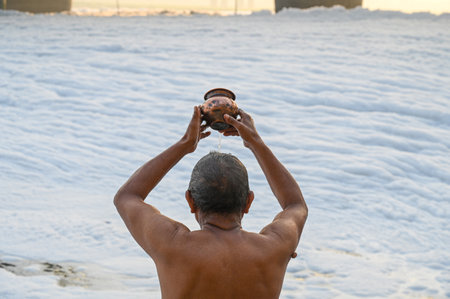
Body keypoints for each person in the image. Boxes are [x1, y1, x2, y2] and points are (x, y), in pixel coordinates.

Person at [114, 106, 308, 299]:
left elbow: (127, 196)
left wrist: (185, 144)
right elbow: (295, 205)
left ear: (191, 201)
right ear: (248, 202)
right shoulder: (275, 246)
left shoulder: (173, 244)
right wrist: (255, 143)